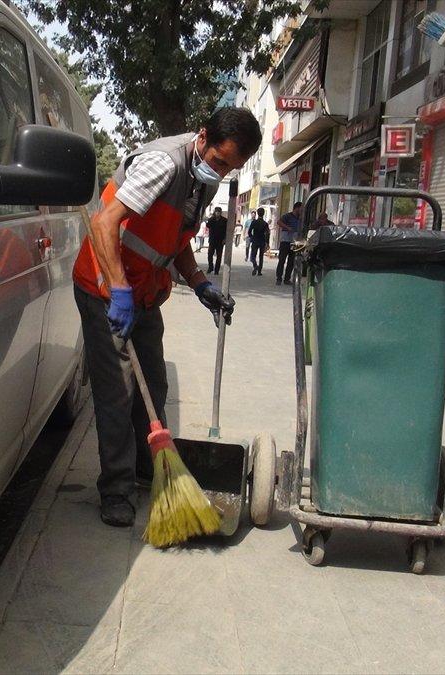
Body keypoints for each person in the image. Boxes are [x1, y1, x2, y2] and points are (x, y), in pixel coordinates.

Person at [72, 106, 261, 526]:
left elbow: (175, 240)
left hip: (142, 291)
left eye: (232, 168)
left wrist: (199, 283)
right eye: (219, 161)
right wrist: (118, 290)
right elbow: (105, 225)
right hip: (106, 288)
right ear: (203, 136)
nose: (223, 172)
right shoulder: (163, 165)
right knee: (118, 393)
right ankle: (117, 489)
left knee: (152, 385)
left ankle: (146, 467)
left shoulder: (203, 179)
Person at [276, 201, 303, 285]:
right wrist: (287, 227)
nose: (302, 210)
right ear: (297, 208)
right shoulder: (287, 216)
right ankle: (279, 278)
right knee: (282, 260)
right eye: (301, 208)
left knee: (291, 261)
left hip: (295, 242)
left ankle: (287, 279)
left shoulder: (300, 219)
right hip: (285, 241)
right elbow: (279, 222)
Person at [247, 207, 270, 276]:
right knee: (261, 257)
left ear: (257, 213)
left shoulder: (254, 222)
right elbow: (267, 233)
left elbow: (249, 231)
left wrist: (252, 237)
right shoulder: (265, 223)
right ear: (263, 214)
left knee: (252, 256)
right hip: (262, 241)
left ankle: (255, 266)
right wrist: (267, 242)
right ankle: (259, 271)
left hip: (255, 240)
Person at [204, 207, 227, 274]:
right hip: (212, 240)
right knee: (210, 254)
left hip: (220, 241)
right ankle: (210, 267)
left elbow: (226, 231)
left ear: (220, 212)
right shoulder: (211, 219)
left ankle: (216, 270)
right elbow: (207, 225)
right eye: (216, 212)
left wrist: (225, 239)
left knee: (219, 256)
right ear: (215, 212)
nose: (217, 213)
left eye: (219, 212)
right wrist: (210, 218)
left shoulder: (224, 220)